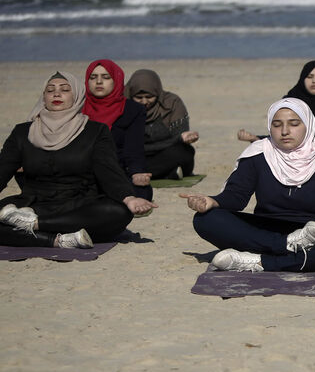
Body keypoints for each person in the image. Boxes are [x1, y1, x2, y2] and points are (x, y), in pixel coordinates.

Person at [182, 98, 315, 272]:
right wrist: (211, 201)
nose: (284, 131)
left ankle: (260, 262)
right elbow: (236, 197)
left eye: (294, 124)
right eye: (277, 125)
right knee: (205, 219)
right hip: (267, 230)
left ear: (307, 125)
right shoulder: (258, 154)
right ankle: (287, 247)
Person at [0, 71, 156, 248]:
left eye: (65, 90)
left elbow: (108, 171)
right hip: (34, 204)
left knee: (119, 212)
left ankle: (35, 226)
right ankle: (58, 240)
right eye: (50, 90)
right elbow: (2, 169)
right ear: (44, 97)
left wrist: (129, 198)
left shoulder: (95, 131)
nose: (56, 94)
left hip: (80, 205)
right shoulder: (22, 132)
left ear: (76, 95)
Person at [83, 59, 152, 200]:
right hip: (82, 170)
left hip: (116, 168)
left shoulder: (132, 109)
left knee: (142, 192)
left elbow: (134, 147)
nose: (99, 82)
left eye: (106, 77)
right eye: (93, 77)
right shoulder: (77, 108)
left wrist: (136, 172)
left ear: (116, 80)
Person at [238, 60, 315, 144]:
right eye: (309, 76)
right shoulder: (291, 100)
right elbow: (284, 132)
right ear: (302, 79)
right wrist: (256, 138)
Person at [124, 69, 200, 179]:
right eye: (139, 98)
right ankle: (167, 173)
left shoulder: (172, 103)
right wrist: (177, 139)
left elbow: (180, 140)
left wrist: (182, 138)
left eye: (149, 97)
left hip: (164, 153)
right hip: (136, 156)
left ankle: (143, 174)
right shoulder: (123, 106)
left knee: (185, 152)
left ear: (158, 93)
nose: (144, 102)